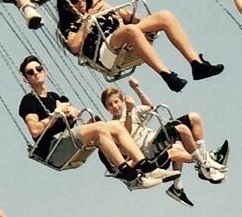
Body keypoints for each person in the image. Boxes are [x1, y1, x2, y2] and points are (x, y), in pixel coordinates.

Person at [51, 0, 221, 88]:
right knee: (129, 30)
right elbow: (74, 46)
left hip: (123, 36)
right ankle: (167, 75)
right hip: (104, 52)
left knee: (165, 16)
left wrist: (115, 11)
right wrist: (88, 21)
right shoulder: (70, 26)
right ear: (66, 5)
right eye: (74, 0)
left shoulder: (97, 6)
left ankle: (197, 65)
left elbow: (136, 20)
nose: (80, 1)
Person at [17, 56, 149, 178]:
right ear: (26, 79)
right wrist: (56, 114)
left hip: (66, 140)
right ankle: (124, 169)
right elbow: (35, 130)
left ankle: (143, 162)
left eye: (39, 69)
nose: (36, 73)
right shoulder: (29, 100)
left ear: (45, 72)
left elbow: (67, 122)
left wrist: (72, 115)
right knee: (98, 128)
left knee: (114, 125)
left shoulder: (54, 97)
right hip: (53, 148)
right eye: (30, 72)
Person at [99, 82, 227, 206]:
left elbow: (149, 106)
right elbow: (125, 133)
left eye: (116, 102)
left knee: (194, 118)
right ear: (107, 108)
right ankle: (207, 162)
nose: (115, 106)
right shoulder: (112, 126)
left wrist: (136, 88)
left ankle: (179, 185)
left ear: (122, 101)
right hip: (147, 153)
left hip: (154, 140)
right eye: (110, 104)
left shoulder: (134, 111)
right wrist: (128, 111)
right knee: (181, 133)